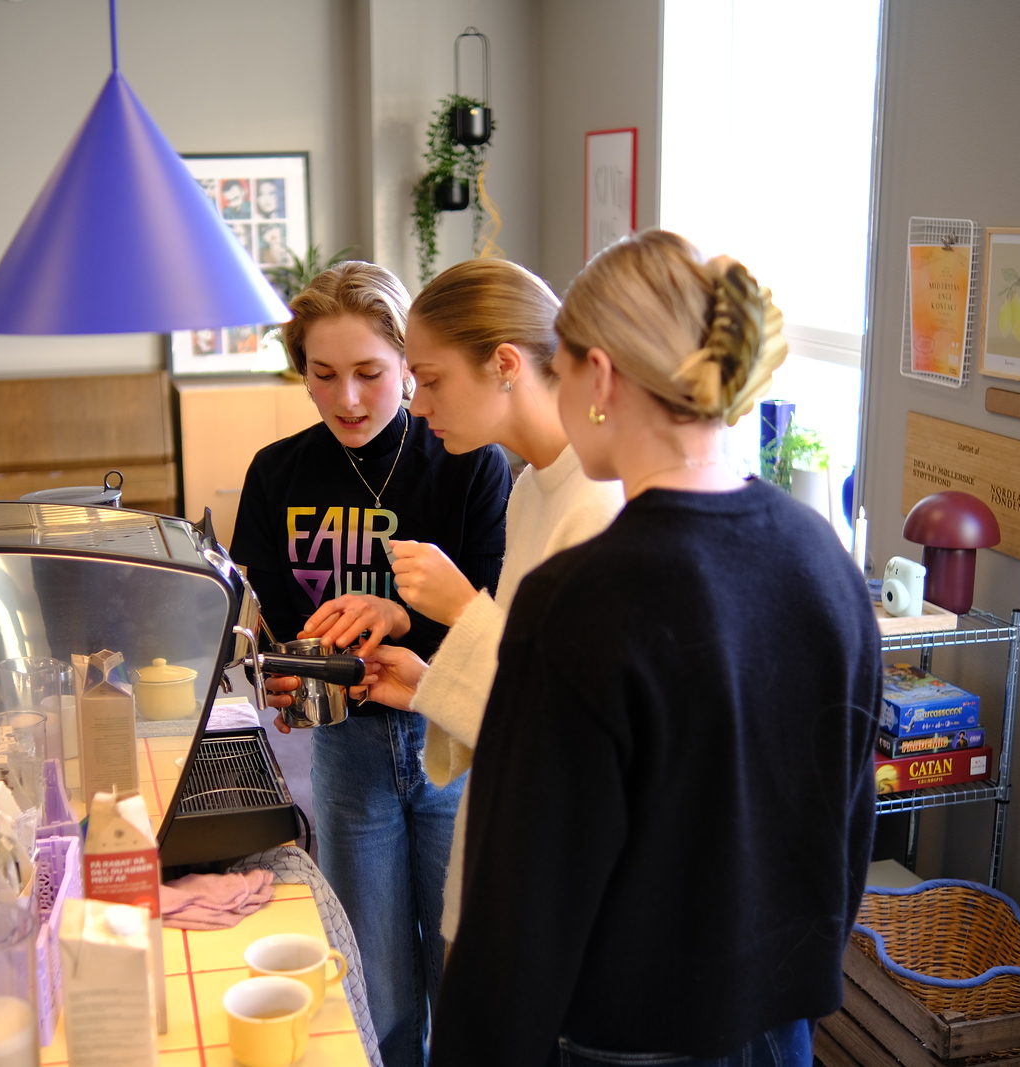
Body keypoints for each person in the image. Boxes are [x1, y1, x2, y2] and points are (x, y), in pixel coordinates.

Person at [429, 231, 880, 1067]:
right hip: (781, 1026)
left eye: (562, 369)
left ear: (599, 376)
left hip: (630, 1039)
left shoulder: (580, 597)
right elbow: (850, 822)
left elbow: (525, 891)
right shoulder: (823, 557)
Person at [228, 260, 511, 1067]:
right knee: (373, 990)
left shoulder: (469, 461)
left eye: (370, 373)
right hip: (344, 749)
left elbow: (498, 619)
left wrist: (403, 615)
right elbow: (261, 621)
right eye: (323, 375)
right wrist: (279, 672)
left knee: (465, 982)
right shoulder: (276, 472)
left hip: (449, 739)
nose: (347, 398)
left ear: (408, 365)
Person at [355, 258, 625, 947]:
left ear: (505, 363)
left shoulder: (599, 501)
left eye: (431, 380)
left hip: (575, 873)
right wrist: (428, 684)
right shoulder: (531, 487)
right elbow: (523, 682)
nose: (418, 406)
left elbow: (579, 729)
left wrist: (460, 608)